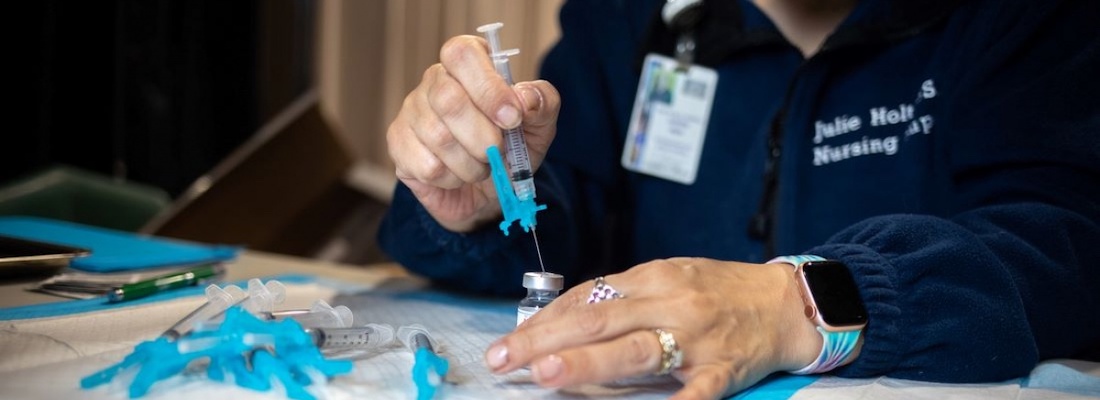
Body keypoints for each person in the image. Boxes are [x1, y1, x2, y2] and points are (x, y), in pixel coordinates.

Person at [378, 0, 1100, 398]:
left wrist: (798, 304)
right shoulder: (627, 22)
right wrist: (477, 206)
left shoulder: (1023, 20)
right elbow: (569, 225)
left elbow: (1065, 244)